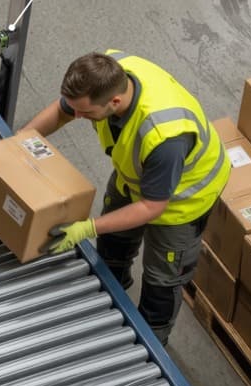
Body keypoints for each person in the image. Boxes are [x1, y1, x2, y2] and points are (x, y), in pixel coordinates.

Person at [24, 50, 228, 344]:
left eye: (86, 113)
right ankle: (112, 292)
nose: (77, 116)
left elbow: (151, 207)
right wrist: (20, 140)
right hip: (135, 174)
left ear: (115, 102)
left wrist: (87, 227)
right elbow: (63, 110)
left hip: (182, 200)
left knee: (161, 280)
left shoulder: (165, 138)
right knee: (113, 242)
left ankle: (152, 342)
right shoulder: (106, 74)